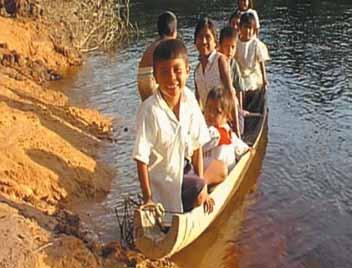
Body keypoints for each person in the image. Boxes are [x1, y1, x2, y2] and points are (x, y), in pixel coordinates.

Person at [133, 39, 227, 214]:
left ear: (187, 71)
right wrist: (148, 198)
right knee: (198, 189)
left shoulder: (189, 99)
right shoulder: (149, 110)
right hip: (164, 180)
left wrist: (202, 185)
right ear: (155, 76)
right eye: (164, 72)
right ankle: (192, 195)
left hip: (185, 169)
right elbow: (141, 158)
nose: (172, 79)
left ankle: (197, 188)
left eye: (177, 71)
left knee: (222, 169)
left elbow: (197, 145)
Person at [193, 17, 241, 138]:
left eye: (208, 37)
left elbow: (230, 93)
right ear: (195, 42)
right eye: (200, 37)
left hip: (226, 121)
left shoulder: (220, 61)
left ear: (215, 42)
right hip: (209, 125)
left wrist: (236, 130)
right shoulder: (197, 71)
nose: (204, 41)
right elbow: (197, 103)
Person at [203, 87, 250, 171]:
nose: (211, 114)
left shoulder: (225, 132)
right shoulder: (208, 131)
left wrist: (248, 151)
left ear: (227, 116)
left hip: (223, 172)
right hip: (212, 171)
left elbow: (240, 147)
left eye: (217, 112)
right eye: (208, 108)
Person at [137, 11, 177, 101]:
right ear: (174, 31)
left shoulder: (153, 45)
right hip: (153, 77)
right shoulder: (168, 44)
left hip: (141, 78)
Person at [235, 12, 270, 112]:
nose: (248, 31)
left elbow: (261, 62)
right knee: (240, 87)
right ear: (240, 28)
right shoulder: (237, 43)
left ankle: (253, 110)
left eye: (250, 28)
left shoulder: (255, 44)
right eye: (245, 27)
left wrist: (264, 79)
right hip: (241, 73)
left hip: (252, 74)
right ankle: (241, 109)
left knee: (253, 88)